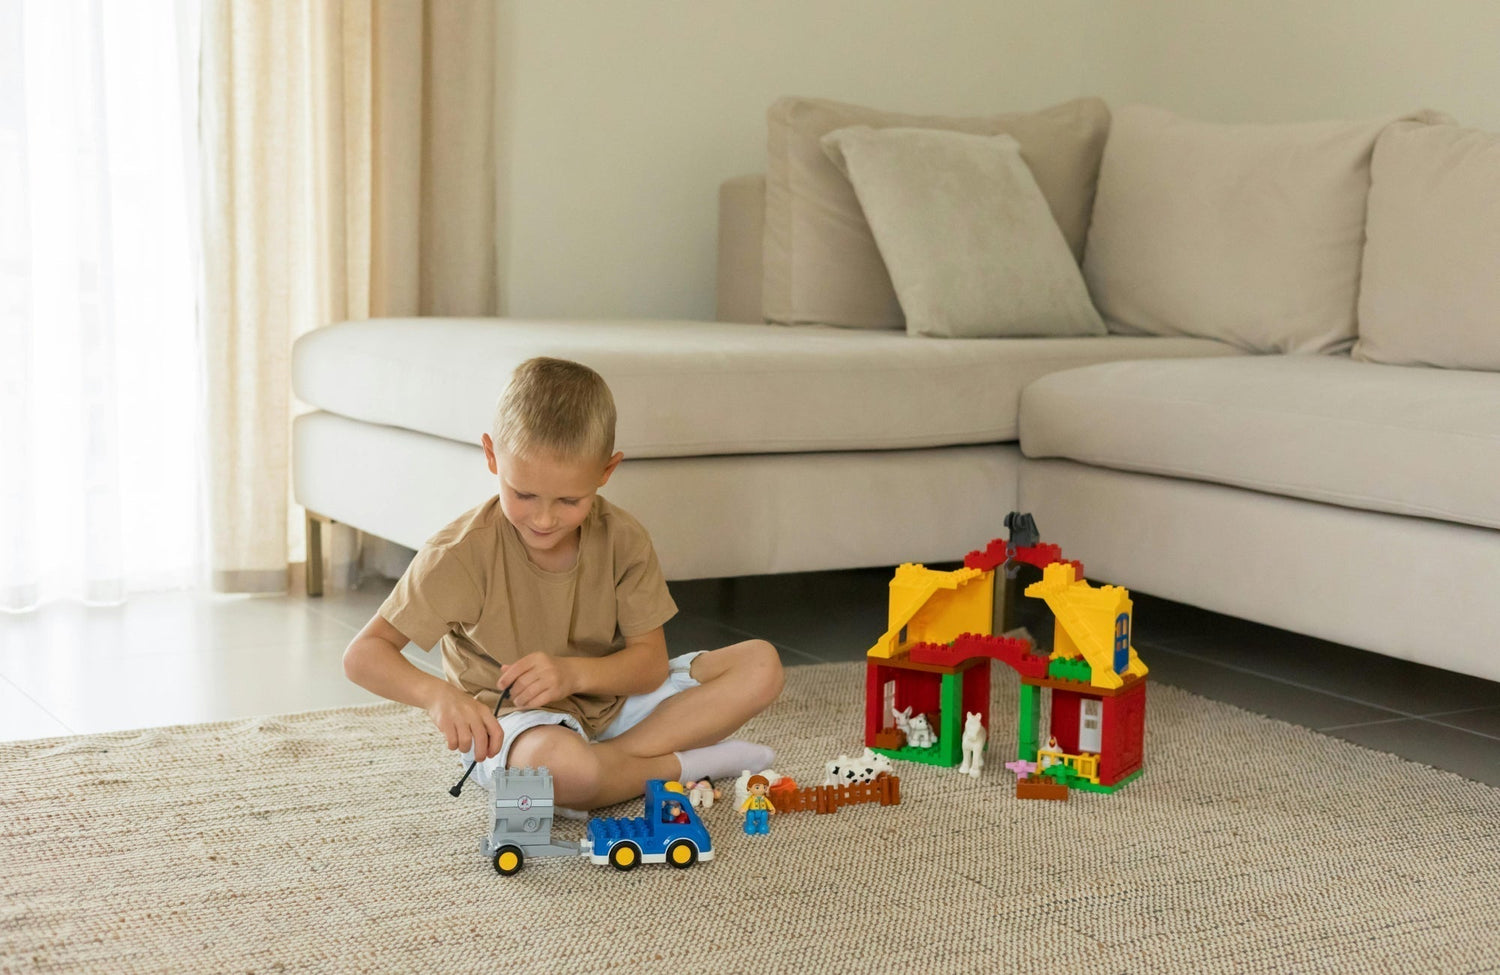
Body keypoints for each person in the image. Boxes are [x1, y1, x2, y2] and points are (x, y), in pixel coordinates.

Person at [342, 357, 783, 811]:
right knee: (563, 769)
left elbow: (649, 666)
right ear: (492, 456)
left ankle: (612, 765)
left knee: (761, 664)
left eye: (570, 500)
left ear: (606, 472)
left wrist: (572, 673)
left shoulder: (622, 538)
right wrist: (440, 697)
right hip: (518, 726)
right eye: (523, 494)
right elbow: (363, 655)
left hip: (614, 706)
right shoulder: (459, 554)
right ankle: (681, 765)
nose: (544, 518)